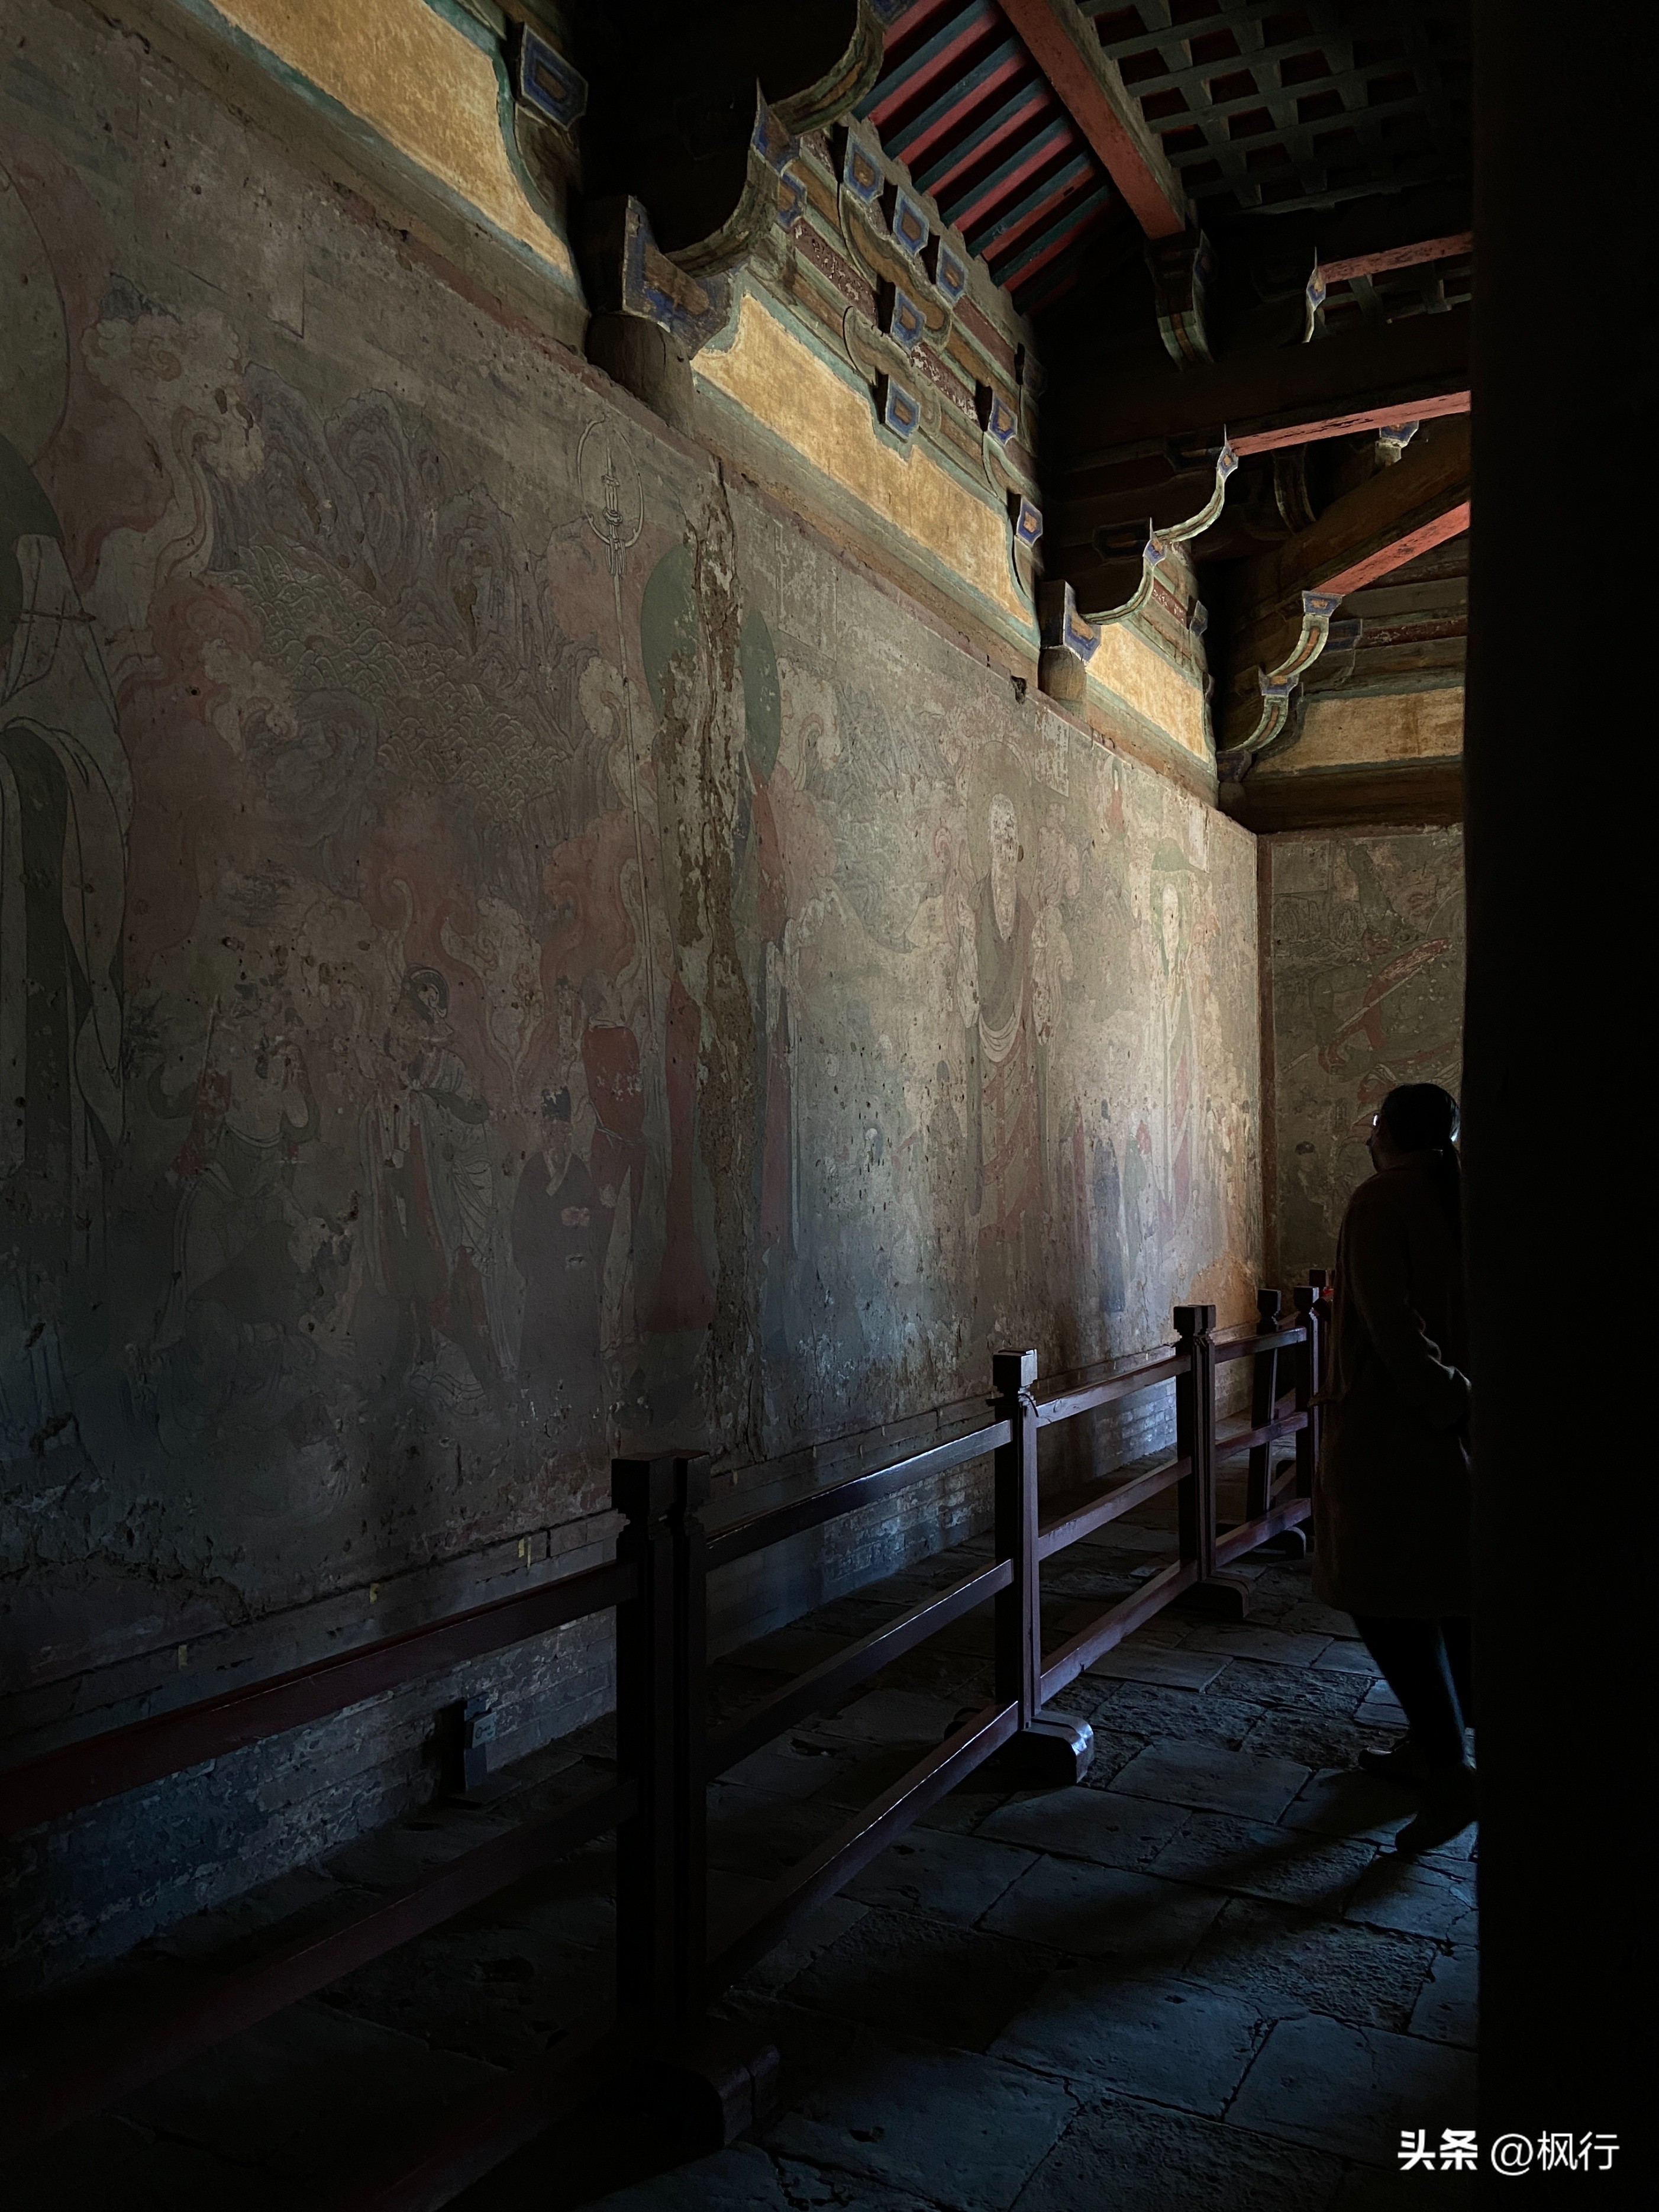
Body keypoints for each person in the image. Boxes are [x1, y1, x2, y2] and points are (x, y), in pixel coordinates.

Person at [1314, 1082, 1474, 1854]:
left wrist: (1446, 1399)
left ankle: (1448, 1760)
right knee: (1437, 1587)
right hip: (1451, 1427)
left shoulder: (1381, 1201)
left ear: (1390, 1133)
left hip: (1395, 1429)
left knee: (1379, 1593)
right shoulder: (1457, 1195)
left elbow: (1390, 1325)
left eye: (1373, 1123)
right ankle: (1440, 1739)